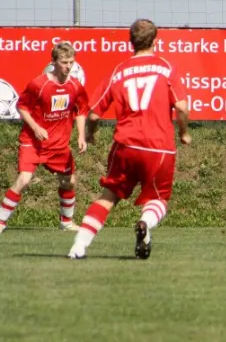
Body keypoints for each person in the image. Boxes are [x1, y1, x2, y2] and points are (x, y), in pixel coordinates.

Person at [68, 19, 191, 260]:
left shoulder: (119, 71)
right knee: (158, 198)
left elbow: (93, 113)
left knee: (108, 196)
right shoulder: (166, 68)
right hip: (159, 147)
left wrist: (91, 133)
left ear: (130, 42)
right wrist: (184, 132)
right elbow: (182, 107)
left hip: (126, 145)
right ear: (156, 41)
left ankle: (78, 247)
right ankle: (145, 222)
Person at [0, 42, 88, 234]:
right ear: (54, 61)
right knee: (24, 179)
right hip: (33, 143)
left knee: (69, 181)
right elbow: (22, 107)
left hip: (58, 145)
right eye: (64, 62)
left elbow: (81, 110)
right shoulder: (38, 84)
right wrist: (36, 127)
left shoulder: (75, 86)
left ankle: (66, 222)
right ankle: (1, 221)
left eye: (71, 62)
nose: (68, 67)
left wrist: (81, 135)